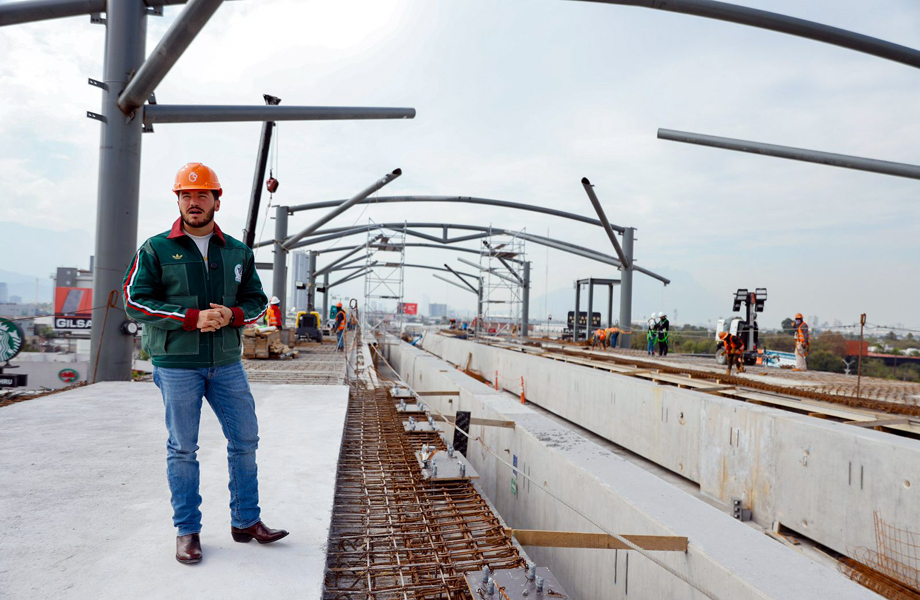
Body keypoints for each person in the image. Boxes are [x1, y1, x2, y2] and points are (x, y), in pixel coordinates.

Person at [123, 163, 288, 565]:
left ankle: (246, 520)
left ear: (217, 200)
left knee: (245, 440)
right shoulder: (156, 248)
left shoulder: (237, 251)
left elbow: (257, 300)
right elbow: (134, 300)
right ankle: (187, 531)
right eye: (186, 195)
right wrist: (191, 318)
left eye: (201, 195)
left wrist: (232, 315)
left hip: (226, 362)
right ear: (178, 200)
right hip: (177, 363)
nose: (193, 202)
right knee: (183, 448)